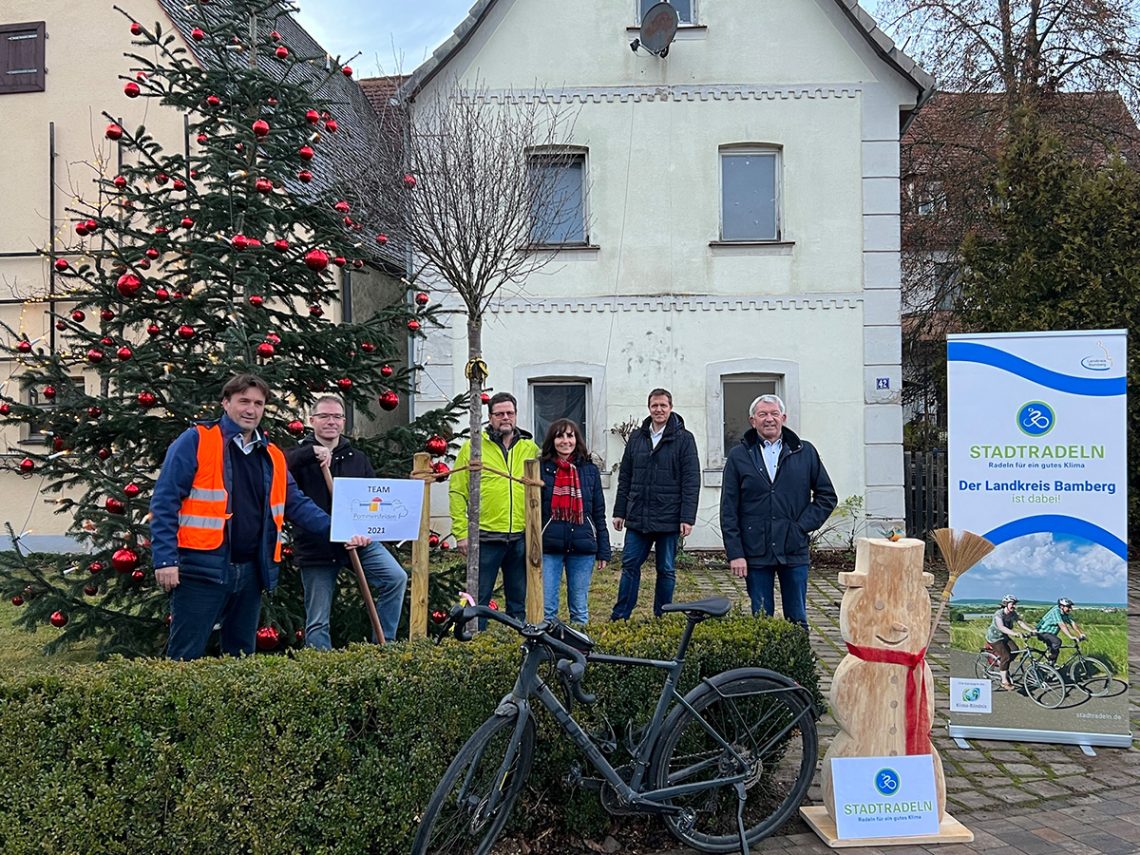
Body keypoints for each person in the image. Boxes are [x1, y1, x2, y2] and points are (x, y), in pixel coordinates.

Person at [150, 374, 369, 660]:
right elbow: (165, 501)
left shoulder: (272, 455)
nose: (251, 409)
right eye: (243, 401)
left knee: (242, 659)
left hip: (252, 571)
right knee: (184, 656)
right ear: (226, 403)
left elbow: (297, 505)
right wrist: (165, 560)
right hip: (202, 568)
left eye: (258, 403)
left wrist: (340, 528)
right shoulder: (197, 440)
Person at [284, 395, 408, 648]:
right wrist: (311, 453)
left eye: (337, 417)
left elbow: (372, 502)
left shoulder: (356, 458)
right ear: (312, 420)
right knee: (318, 618)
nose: (331, 422)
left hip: (357, 541)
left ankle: (384, 647)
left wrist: (366, 533)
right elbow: (280, 466)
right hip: (317, 546)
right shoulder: (298, 455)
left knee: (396, 577)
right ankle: (321, 666)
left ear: (343, 421)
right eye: (324, 416)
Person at [720, 394, 837, 630]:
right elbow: (728, 509)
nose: (769, 419)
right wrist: (736, 553)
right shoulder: (739, 456)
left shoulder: (804, 452)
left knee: (797, 618)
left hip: (793, 548)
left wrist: (801, 526)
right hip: (755, 550)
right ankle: (764, 667)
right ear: (752, 420)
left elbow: (827, 497)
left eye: (774, 414)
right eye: (762, 414)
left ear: (783, 418)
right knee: (762, 619)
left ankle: (798, 666)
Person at [450, 392, 540, 624]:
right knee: (478, 598)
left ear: (516, 415)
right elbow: (458, 492)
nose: (505, 418)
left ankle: (517, 644)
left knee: (518, 600)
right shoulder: (474, 447)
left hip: (519, 537)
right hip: (485, 537)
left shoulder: (530, 448)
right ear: (490, 417)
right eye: (499, 414)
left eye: (510, 413)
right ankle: (474, 642)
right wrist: (461, 533)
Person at [610, 388, 700, 620]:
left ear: (670, 407)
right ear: (649, 408)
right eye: (654, 406)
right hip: (638, 515)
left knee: (666, 570)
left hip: (669, 517)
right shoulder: (637, 437)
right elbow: (626, 476)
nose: (659, 410)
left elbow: (691, 480)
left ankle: (662, 616)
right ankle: (620, 616)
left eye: (663, 405)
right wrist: (620, 511)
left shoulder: (684, 439)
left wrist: (687, 517)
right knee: (629, 566)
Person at [539, 419, 611, 624]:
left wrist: (603, 549)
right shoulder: (540, 469)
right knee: (547, 609)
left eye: (569, 436)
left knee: (579, 609)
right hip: (549, 546)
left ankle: (580, 652)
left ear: (576, 439)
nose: (565, 441)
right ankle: (547, 651)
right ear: (552, 441)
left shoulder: (589, 470)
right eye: (559, 436)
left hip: (582, 546)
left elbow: (598, 512)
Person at [985, 594, 1036, 689]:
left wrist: (1031, 630)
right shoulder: (999, 614)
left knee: (1015, 650)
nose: (1014, 606)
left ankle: (1003, 665)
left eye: (1015, 604)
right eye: (1012, 604)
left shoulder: (1013, 614)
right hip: (994, 638)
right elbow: (1001, 627)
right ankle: (1004, 681)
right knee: (1006, 656)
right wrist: (1015, 633)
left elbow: (1020, 622)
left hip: (1004, 636)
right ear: (1006, 604)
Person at [1035, 596, 1085, 664]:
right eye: (1068, 607)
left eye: (1071, 607)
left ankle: (1050, 668)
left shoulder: (1064, 613)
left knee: (1056, 651)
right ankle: (1047, 662)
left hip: (1051, 634)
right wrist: (1071, 636)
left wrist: (1080, 634)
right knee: (1057, 642)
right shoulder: (1056, 611)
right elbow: (1061, 625)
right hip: (1043, 632)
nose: (1070, 609)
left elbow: (1072, 623)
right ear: (1061, 606)